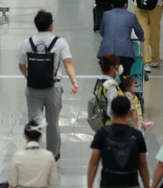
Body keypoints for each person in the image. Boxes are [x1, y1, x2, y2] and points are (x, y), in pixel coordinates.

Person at [17, 10, 79, 158]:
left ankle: (34, 152)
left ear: (36, 25)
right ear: (51, 26)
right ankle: (53, 154)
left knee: (34, 121)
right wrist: (74, 82)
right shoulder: (59, 42)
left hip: (33, 88)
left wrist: (29, 77)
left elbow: (21, 65)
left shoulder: (27, 43)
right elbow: (68, 63)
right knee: (53, 123)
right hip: (54, 87)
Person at [87, 96, 149, 188]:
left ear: (111, 112)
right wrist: (147, 186)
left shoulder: (102, 133)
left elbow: (93, 162)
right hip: (131, 184)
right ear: (129, 113)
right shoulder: (137, 136)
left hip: (108, 184)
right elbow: (142, 165)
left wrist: (89, 186)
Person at [98, 0, 144, 72]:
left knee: (108, 76)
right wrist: (141, 38)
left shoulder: (106, 15)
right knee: (125, 77)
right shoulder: (131, 16)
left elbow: (102, 32)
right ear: (126, 5)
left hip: (106, 52)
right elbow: (139, 32)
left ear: (112, 5)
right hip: (125, 52)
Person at [8, 120, 59, 188]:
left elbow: (12, 182)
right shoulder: (48, 156)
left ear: (25, 136)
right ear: (40, 136)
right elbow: (53, 181)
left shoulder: (17, 156)